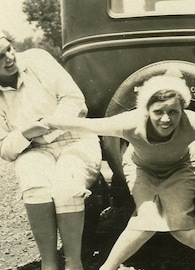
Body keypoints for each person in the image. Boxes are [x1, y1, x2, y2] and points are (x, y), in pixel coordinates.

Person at [44, 69, 195, 270]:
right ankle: (108, 267)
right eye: (158, 112)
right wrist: (48, 122)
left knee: (183, 227)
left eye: (173, 111)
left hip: (180, 169)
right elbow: (87, 125)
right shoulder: (130, 123)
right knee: (147, 221)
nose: (166, 119)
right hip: (141, 169)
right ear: (146, 110)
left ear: (182, 108)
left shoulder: (193, 121)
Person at [0, 31, 102, 270]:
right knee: (35, 187)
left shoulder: (38, 59)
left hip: (75, 138)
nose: (9, 57)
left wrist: (44, 129)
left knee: (66, 187)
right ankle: (49, 262)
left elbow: (75, 101)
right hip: (33, 149)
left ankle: (73, 262)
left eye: (8, 49)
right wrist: (26, 133)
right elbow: (4, 149)